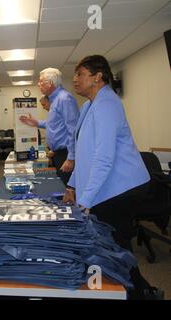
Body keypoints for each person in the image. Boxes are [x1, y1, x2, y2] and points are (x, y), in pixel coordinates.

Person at [63, 54, 162, 300]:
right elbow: (84, 154)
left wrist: (85, 200)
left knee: (115, 247)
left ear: (98, 77)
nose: (75, 80)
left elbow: (103, 158)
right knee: (112, 246)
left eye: (80, 74)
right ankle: (139, 289)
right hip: (107, 188)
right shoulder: (88, 106)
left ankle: (140, 292)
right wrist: (72, 186)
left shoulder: (107, 104)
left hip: (120, 189)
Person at [20, 68, 79, 185]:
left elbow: (74, 130)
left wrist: (71, 158)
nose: (38, 84)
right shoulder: (55, 100)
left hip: (65, 154)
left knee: (68, 189)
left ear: (50, 83)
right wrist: (36, 123)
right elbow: (54, 124)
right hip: (58, 154)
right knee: (62, 188)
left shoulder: (64, 98)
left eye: (41, 81)